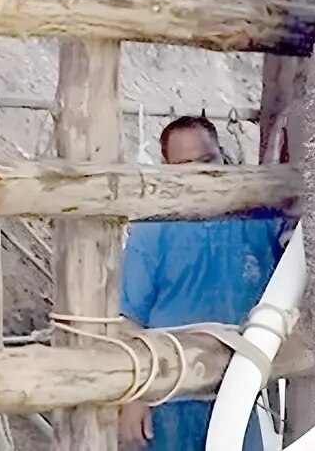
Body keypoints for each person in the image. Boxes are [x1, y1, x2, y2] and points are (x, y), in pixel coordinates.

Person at [118, 115, 286, 450]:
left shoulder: (260, 220)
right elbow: (127, 322)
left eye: (206, 161)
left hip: (244, 391)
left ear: (223, 157)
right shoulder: (152, 231)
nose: (199, 174)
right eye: (184, 166)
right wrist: (135, 397)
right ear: (167, 169)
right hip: (171, 398)